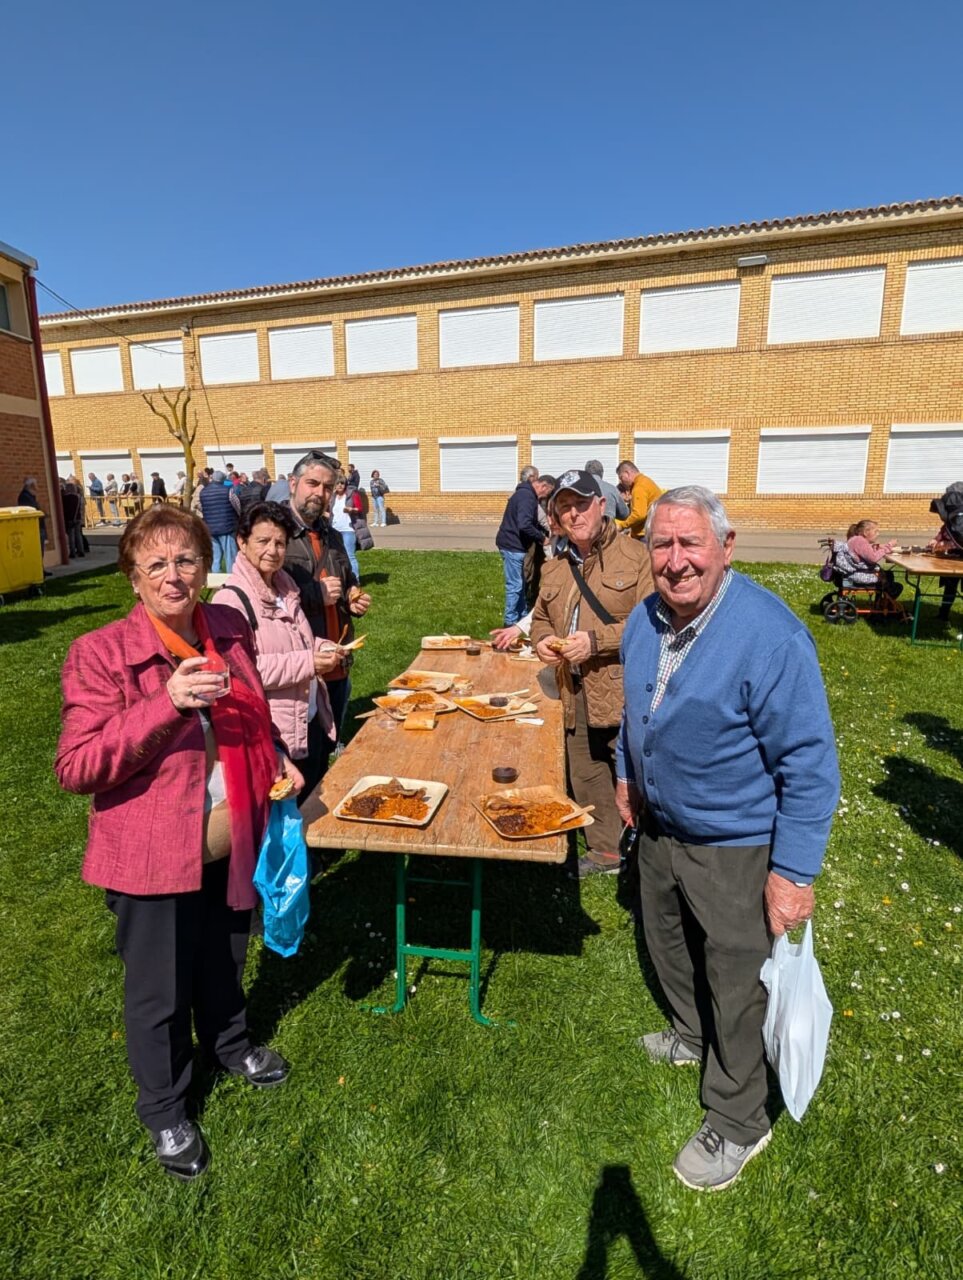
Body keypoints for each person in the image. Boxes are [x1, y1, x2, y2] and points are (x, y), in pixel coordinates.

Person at [55, 505, 303, 1181]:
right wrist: (165, 704)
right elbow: (76, 767)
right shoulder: (100, 653)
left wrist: (278, 754)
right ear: (133, 577)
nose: (174, 576)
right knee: (159, 992)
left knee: (225, 956)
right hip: (151, 854)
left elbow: (252, 709)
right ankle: (165, 1107)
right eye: (156, 564)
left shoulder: (225, 626)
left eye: (187, 559)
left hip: (228, 836)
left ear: (205, 564)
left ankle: (230, 1044)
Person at [615, 485, 840, 1192]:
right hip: (659, 826)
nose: (675, 560)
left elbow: (810, 765)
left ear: (726, 546)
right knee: (667, 941)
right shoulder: (645, 618)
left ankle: (740, 1119)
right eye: (662, 544)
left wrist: (792, 873)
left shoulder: (770, 637)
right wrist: (625, 773)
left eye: (691, 543)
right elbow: (634, 709)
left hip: (734, 843)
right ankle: (690, 1033)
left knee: (737, 982)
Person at [530, 470, 653, 876]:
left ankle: (650, 853)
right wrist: (542, 641)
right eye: (564, 507)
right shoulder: (555, 566)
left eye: (581, 504)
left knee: (636, 770)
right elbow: (541, 618)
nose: (574, 514)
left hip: (624, 688)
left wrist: (596, 642)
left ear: (602, 505)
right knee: (586, 770)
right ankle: (605, 851)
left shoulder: (637, 557)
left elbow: (652, 623)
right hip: (573, 686)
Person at [213, 502, 340, 803]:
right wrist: (309, 662)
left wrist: (322, 646)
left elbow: (296, 640)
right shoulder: (230, 601)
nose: (272, 550)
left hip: (307, 720)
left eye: (280, 543)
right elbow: (243, 672)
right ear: (241, 542)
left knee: (312, 804)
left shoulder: (286, 587)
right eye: (263, 541)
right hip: (276, 735)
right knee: (285, 814)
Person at [281, 450, 371, 735]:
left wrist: (352, 595)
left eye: (328, 487)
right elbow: (264, 599)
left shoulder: (332, 535)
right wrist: (314, 594)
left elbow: (348, 578)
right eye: (312, 483)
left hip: (337, 656)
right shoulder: (276, 535)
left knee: (330, 739)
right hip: (301, 664)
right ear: (293, 483)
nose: (320, 493)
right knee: (304, 746)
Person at [495, 466, 554, 626]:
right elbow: (524, 524)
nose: (545, 497)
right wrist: (542, 538)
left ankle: (521, 616)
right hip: (512, 545)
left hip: (515, 545)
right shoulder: (527, 497)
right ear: (543, 486)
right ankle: (510, 621)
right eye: (547, 493)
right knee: (515, 585)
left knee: (520, 583)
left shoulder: (525, 494)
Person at [926, 484, 963, 620]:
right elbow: (944, 530)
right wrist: (936, 540)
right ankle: (943, 614)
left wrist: (948, 544)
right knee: (950, 587)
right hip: (954, 559)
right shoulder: (954, 518)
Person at [843, 520, 902, 595]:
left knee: (888, 575)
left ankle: (883, 598)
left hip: (854, 573)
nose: (878, 534)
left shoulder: (855, 540)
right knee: (893, 581)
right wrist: (889, 546)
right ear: (865, 532)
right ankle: (886, 599)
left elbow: (865, 552)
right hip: (859, 576)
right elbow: (873, 558)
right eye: (875, 531)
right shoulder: (860, 541)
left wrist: (876, 547)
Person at [199, 470, 241, 573]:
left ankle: (215, 577)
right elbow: (237, 505)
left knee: (215, 557)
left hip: (210, 527)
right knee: (230, 556)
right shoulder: (228, 490)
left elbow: (201, 507)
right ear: (223, 480)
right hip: (226, 527)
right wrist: (239, 516)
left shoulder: (203, 491)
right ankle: (232, 576)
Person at [614, 461, 663, 538]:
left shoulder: (639, 487)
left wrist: (621, 526)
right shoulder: (645, 481)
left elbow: (639, 515)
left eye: (621, 477)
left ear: (627, 473)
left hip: (644, 535)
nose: (621, 481)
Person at [329, 474, 364, 580]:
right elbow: (331, 514)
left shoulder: (352, 494)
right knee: (335, 556)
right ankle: (341, 579)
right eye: (337, 483)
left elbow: (360, 508)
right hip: (335, 530)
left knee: (350, 555)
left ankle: (355, 580)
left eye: (342, 483)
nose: (340, 485)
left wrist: (351, 510)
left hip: (348, 530)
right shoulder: (332, 497)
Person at [17, 475, 47, 558]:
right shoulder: (25, 497)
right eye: (36, 485)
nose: (37, 488)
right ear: (31, 486)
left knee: (40, 550)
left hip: (38, 526)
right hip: (34, 527)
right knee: (37, 551)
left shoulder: (30, 496)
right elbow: (31, 511)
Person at [61, 476, 84, 558]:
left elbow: (66, 509)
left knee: (71, 536)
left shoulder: (65, 498)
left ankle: (72, 552)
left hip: (70, 518)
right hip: (77, 517)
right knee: (78, 535)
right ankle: (81, 551)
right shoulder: (77, 497)